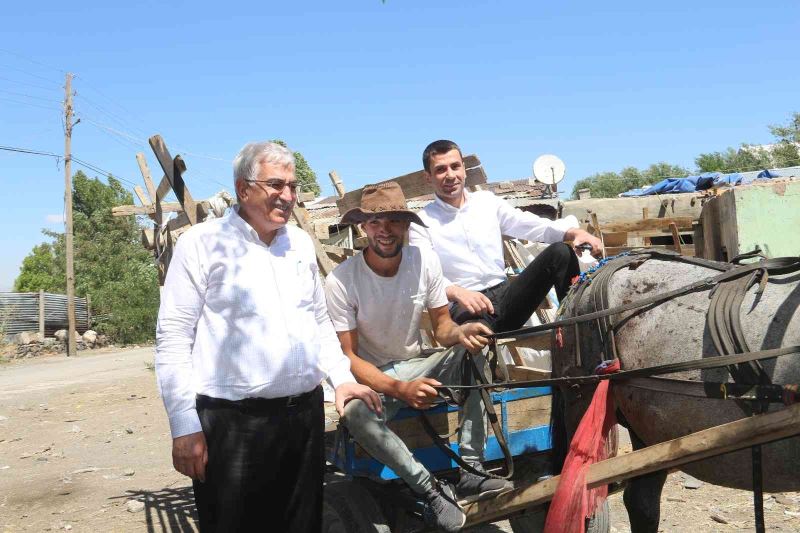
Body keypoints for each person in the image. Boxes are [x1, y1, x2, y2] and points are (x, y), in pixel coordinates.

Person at [155, 141, 381, 533]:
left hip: (302, 419)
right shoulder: (203, 244)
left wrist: (342, 379)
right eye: (276, 184)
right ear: (244, 189)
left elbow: (317, 321)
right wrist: (183, 425)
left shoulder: (298, 243)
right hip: (232, 426)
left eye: (292, 186)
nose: (288, 195)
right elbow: (174, 336)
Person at [325, 182, 511, 533]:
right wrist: (401, 389)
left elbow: (442, 328)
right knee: (354, 413)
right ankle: (429, 490)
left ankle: (471, 470)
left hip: (416, 362)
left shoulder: (423, 260)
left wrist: (463, 332)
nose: (385, 230)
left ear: (406, 225)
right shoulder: (342, 280)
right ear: (363, 227)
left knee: (473, 353)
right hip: (372, 376)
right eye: (375, 222)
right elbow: (347, 357)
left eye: (394, 220)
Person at [409, 139, 603, 333]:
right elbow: (423, 274)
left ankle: (577, 335)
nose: (450, 175)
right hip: (465, 309)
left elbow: (527, 224)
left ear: (464, 169)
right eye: (441, 170)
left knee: (561, 253)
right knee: (474, 341)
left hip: (506, 298)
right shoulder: (421, 222)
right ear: (428, 177)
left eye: (455, 166)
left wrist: (574, 232)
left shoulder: (486, 202)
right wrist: (456, 292)